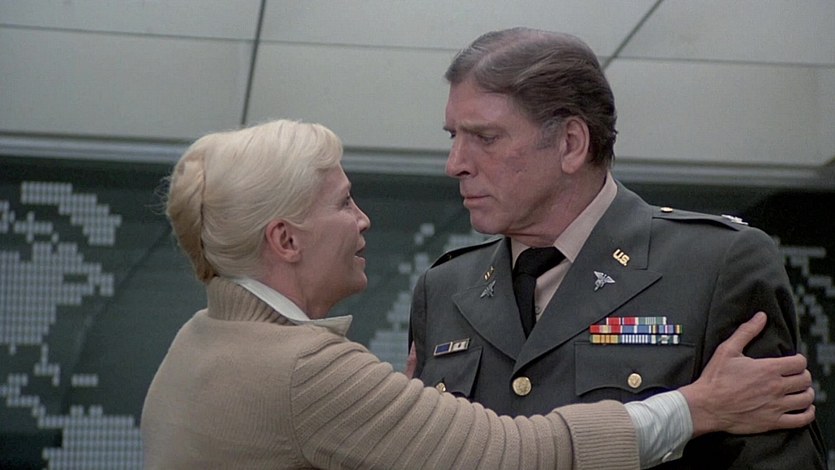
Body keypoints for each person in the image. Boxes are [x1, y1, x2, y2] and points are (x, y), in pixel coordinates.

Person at [141, 119, 815, 470]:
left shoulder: (195, 343)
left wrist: (392, 434)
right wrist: (697, 407)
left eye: (485, 137)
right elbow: (516, 456)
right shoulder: (308, 370)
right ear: (286, 240)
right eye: (343, 203)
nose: (363, 220)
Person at [408, 27, 828, 468]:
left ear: (571, 144)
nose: (455, 164)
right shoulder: (444, 289)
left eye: (485, 137)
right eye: (453, 136)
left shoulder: (716, 266)